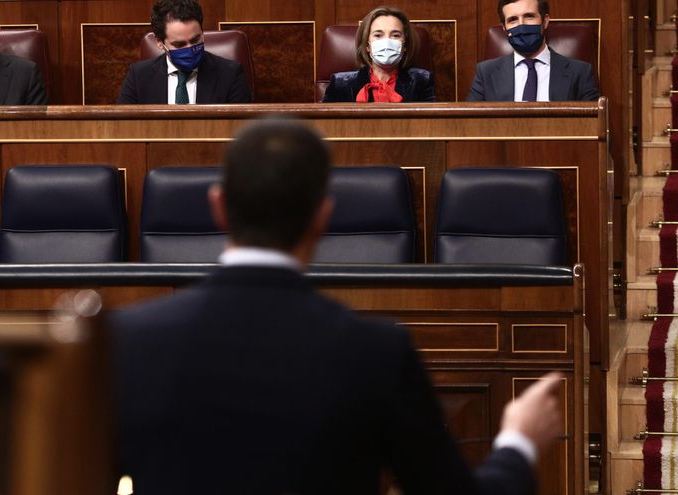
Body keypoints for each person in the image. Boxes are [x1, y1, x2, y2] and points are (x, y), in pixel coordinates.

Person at [110, 118, 562, 495]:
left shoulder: (127, 340)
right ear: (324, 216)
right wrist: (518, 442)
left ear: (218, 207)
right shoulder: (376, 352)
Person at [116, 0, 251, 104]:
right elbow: (123, 129)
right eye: (179, 44)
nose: (189, 49)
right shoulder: (139, 76)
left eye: (195, 40)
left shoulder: (230, 74)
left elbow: (241, 132)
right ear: (159, 42)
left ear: (202, 33)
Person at [466, 0, 599, 101]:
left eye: (529, 16)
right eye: (513, 20)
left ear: (545, 21)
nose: (521, 25)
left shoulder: (580, 73)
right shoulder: (485, 74)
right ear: (504, 29)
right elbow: (470, 126)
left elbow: (592, 127)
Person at [323, 6, 436, 103]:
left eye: (395, 35)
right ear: (367, 45)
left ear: (405, 45)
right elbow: (324, 124)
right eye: (378, 35)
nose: (386, 42)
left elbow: (429, 125)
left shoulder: (422, 81)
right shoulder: (339, 84)